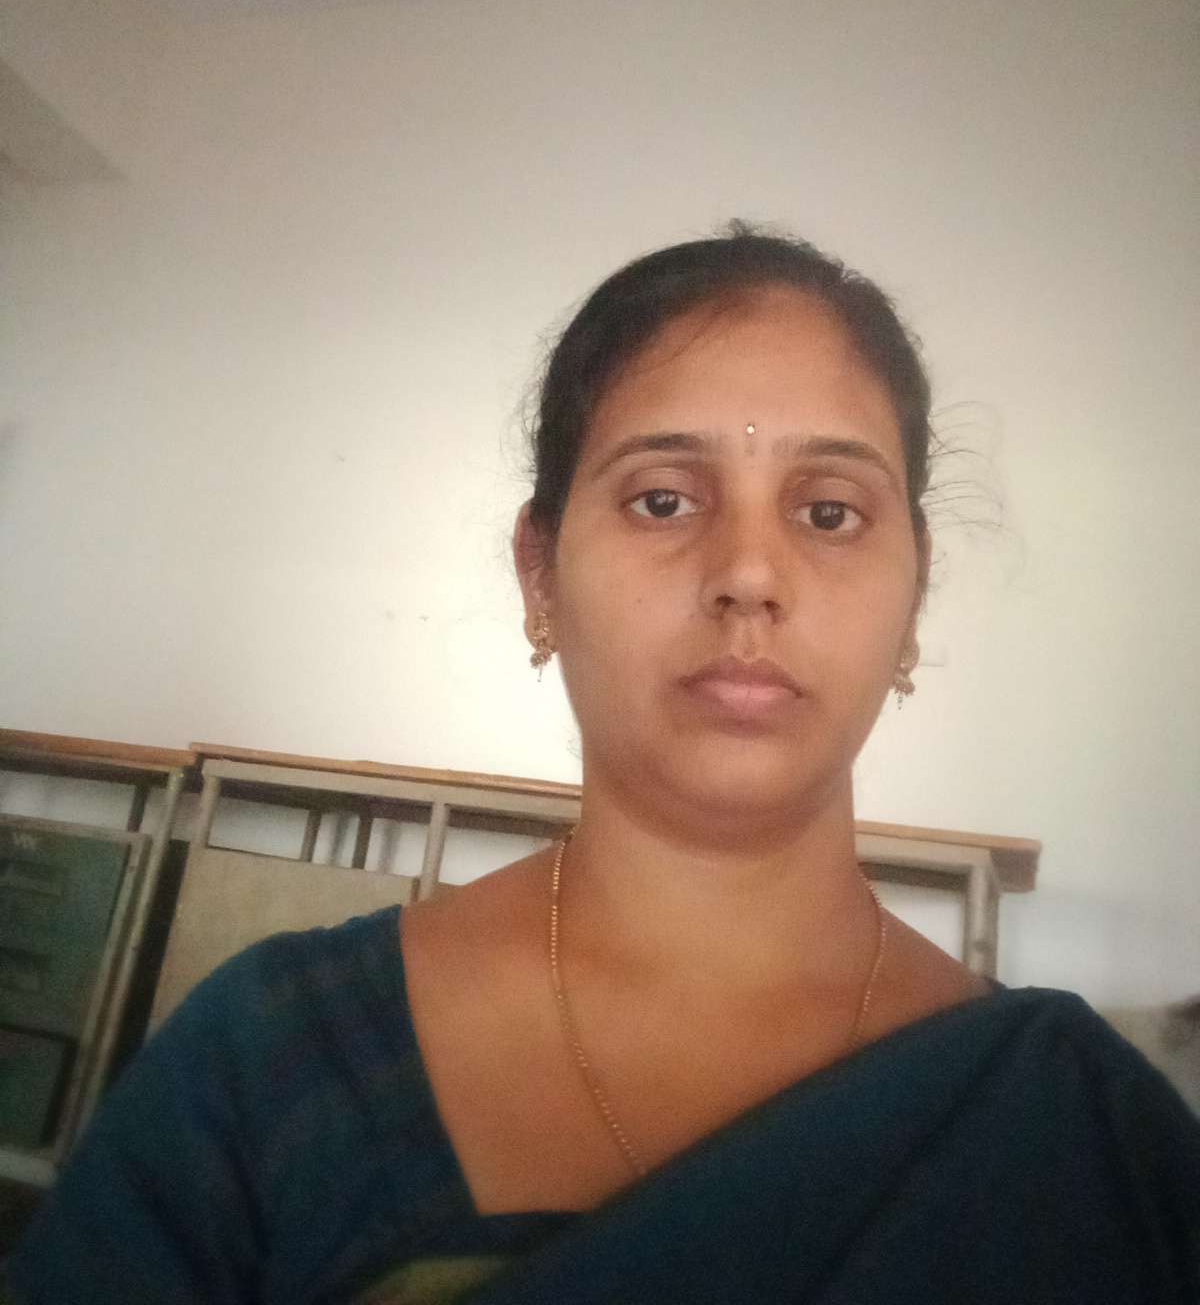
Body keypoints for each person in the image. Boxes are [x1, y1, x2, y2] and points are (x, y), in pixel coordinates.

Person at [6, 224, 1198, 1303]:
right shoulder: (271, 1064)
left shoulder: (1082, 1133)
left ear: (915, 592)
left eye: (829, 512)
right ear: (540, 573)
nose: (749, 573)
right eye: (665, 499)